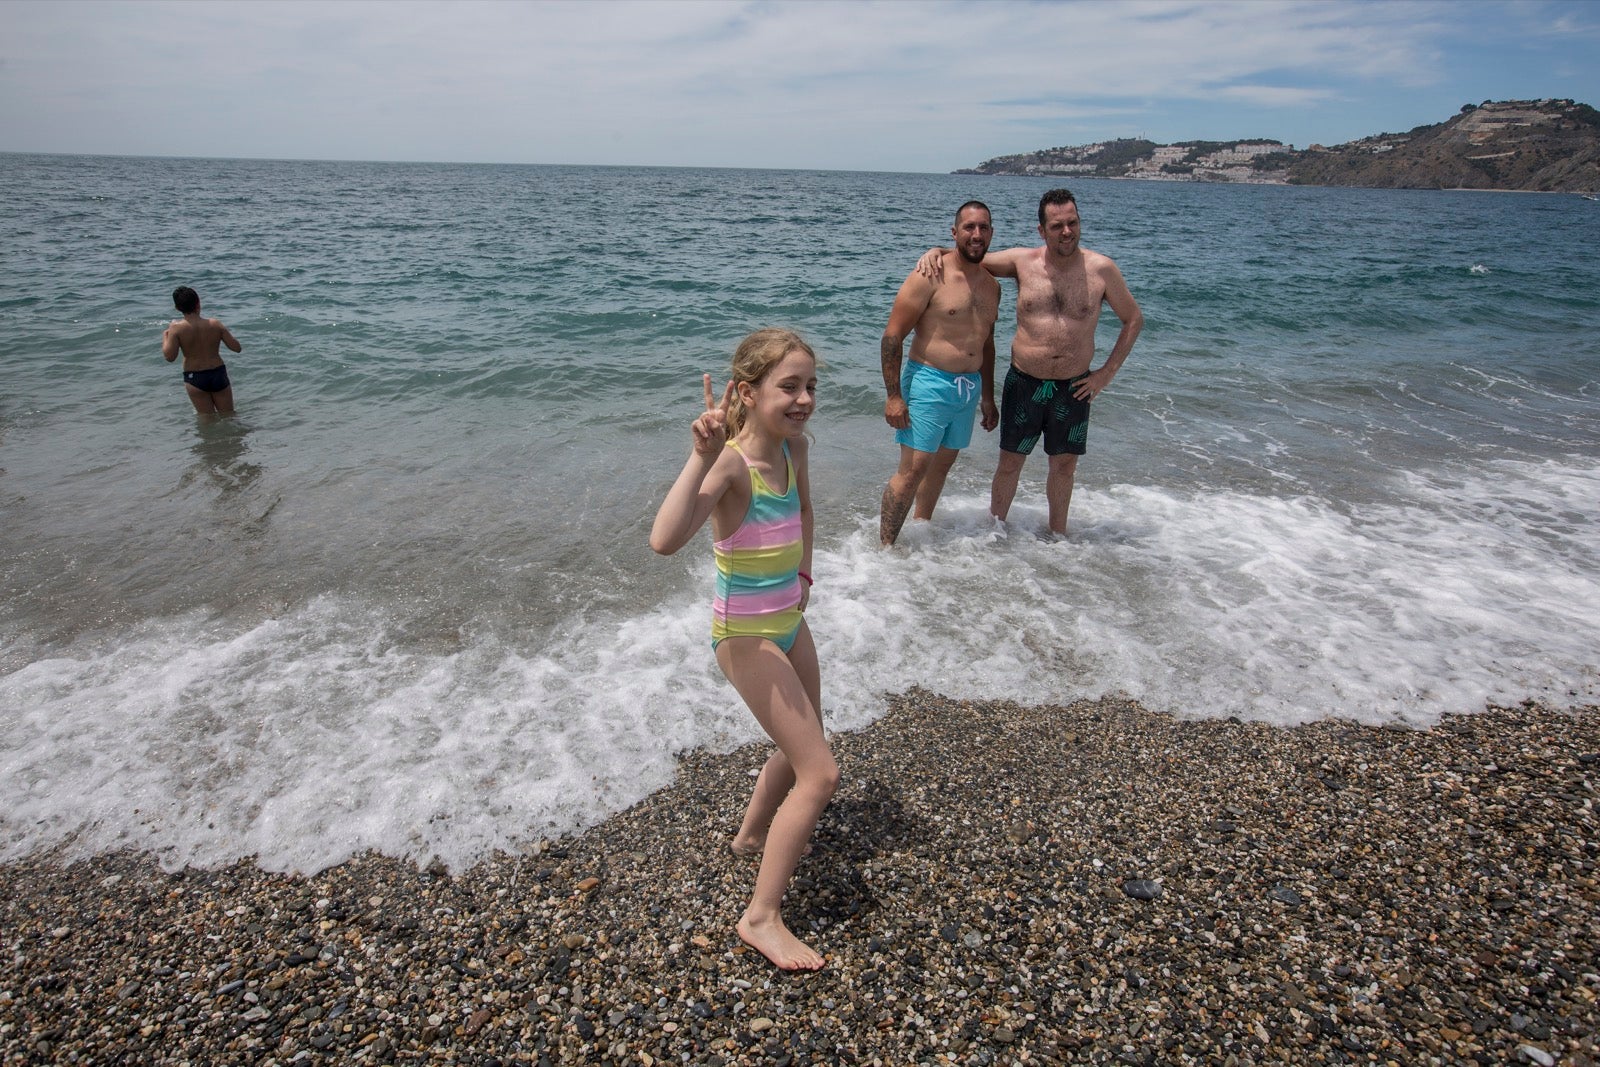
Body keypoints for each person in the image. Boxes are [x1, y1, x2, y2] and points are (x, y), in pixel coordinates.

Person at [649, 328, 837, 971]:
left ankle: (752, 835)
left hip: (789, 620)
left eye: (810, 385)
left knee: (802, 742)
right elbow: (664, 540)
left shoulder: (795, 448)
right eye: (789, 386)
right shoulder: (731, 462)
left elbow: (807, 513)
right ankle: (760, 918)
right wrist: (698, 456)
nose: (804, 397)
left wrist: (805, 577)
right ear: (748, 393)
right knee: (821, 773)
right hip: (746, 637)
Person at [919, 188, 1142, 535]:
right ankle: (993, 533)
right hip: (1024, 382)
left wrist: (1105, 375)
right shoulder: (1022, 262)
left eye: (1072, 223)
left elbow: (1133, 319)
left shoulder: (1101, 270)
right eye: (1056, 226)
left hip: (1074, 387)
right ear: (1042, 230)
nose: (1066, 231)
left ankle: (1058, 538)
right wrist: (936, 251)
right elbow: (968, 257)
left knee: (1064, 466)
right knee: (1009, 463)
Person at [878, 201, 1000, 545]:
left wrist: (988, 398)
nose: (977, 234)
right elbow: (893, 335)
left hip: (968, 389)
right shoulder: (929, 274)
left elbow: (987, 344)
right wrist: (893, 396)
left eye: (984, 228)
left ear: (991, 233)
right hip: (929, 382)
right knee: (913, 470)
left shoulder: (993, 286)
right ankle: (885, 551)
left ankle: (921, 529)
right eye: (969, 227)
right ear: (954, 233)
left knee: (942, 465)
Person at [162, 286, 242, 415]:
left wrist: (165, 336)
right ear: (198, 303)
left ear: (177, 308)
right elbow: (237, 348)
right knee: (229, 416)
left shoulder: (176, 329)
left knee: (206, 420)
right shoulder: (215, 324)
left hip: (195, 376)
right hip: (217, 373)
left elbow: (170, 357)